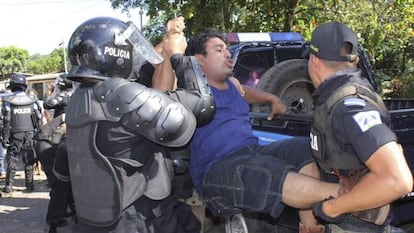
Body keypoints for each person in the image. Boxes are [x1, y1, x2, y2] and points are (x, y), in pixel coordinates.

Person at [180, 29, 342, 232]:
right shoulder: (189, 90)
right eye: (219, 50)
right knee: (268, 171)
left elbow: (246, 92)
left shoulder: (232, 84)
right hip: (216, 168)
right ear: (199, 60)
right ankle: (353, 197)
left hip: (251, 151)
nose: (227, 54)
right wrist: (170, 48)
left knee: (304, 149)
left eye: (227, 49)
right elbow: (161, 88)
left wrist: (271, 98)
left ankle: (309, 228)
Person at [64, 16, 214, 233]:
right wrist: (178, 56)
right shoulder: (117, 94)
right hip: (137, 218)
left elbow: (152, 93)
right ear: (118, 53)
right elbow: (203, 105)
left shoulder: (83, 97)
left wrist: (165, 43)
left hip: (101, 219)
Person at [307, 22, 413, 232]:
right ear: (354, 61)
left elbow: (397, 180)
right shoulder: (337, 101)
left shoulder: (351, 107)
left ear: (315, 61)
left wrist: (331, 208)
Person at [1, 74, 43, 193]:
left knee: (12, 159)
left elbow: (6, 120)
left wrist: (5, 138)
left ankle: (9, 186)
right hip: (30, 134)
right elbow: (38, 118)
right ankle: (29, 185)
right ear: (24, 86)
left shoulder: (8, 101)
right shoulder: (32, 100)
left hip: (15, 134)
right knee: (29, 159)